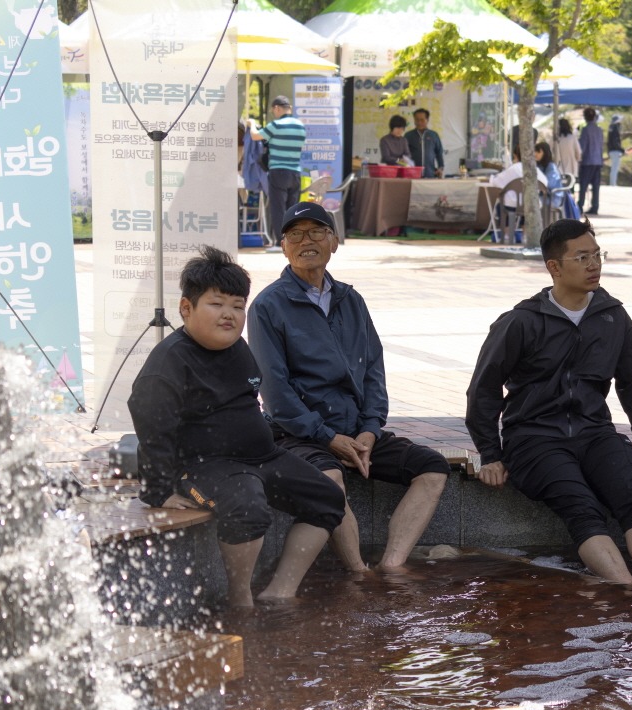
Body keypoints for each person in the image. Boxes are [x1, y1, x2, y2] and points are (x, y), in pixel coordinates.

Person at [127, 246, 345, 608]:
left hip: (263, 457)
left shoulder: (238, 349)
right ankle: (240, 599)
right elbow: (152, 429)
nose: (229, 314)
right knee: (248, 509)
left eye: (237, 306)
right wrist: (158, 490)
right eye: (216, 304)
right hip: (205, 466)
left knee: (328, 498)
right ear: (186, 308)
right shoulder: (169, 362)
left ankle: (280, 590)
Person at [466, 218, 632, 585]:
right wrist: (490, 454)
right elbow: (484, 388)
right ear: (555, 267)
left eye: (597, 255)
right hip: (533, 438)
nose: (594, 265)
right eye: (582, 258)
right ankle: (628, 590)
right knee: (581, 508)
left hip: (595, 433)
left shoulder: (612, 316)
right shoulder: (521, 321)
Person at [249, 202, 450, 572]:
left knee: (433, 468)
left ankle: (391, 566)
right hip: (299, 433)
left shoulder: (351, 300)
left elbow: (374, 369)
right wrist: (327, 437)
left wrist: (370, 429)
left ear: (334, 242)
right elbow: (275, 393)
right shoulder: (268, 306)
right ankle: (360, 574)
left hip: (357, 430)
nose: (306, 241)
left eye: (316, 232)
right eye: (296, 234)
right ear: (283, 247)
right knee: (331, 481)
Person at [248, 96, 306, 253]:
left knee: (278, 208)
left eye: (273, 110)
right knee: (292, 210)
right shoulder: (300, 126)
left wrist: (252, 124)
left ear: (277, 108)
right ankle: (293, 242)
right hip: (295, 172)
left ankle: (280, 243)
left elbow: (255, 136)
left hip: (278, 171)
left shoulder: (276, 125)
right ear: (290, 108)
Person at [536, 140, 579, 220]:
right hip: (544, 196)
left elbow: (548, 184)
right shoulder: (540, 166)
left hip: (553, 198)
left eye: (538, 152)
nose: (535, 154)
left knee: (530, 202)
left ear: (544, 153)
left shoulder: (551, 167)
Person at [577, 107, 604, 215]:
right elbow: (601, 145)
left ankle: (580, 205)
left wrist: (579, 159)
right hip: (598, 161)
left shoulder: (585, 129)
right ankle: (595, 206)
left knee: (583, 185)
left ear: (585, 117)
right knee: (596, 186)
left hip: (587, 161)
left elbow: (582, 147)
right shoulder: (599, 130)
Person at [405, 108, 444, 178]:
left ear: (427, 120)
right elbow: (402, 155)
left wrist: (440, 168)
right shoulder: (408, 135)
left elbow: (439, 153)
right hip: (412, 175)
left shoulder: (433, 135)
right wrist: (406, 167)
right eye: (417, 120)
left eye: (422, 120)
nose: (419, 122)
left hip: (430, 174)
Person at [607, 114, 626, 186]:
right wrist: (622, 150)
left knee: (613, 168)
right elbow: (616, 142)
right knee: (615, 168)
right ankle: (613, 184)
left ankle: (612, 183)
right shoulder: (615, 128)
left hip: (611, 151)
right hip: (616, 151)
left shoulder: (611, 128)